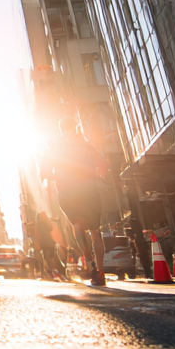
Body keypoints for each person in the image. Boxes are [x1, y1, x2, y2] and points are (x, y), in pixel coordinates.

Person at [43, 117, 109, 286]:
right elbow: (104, 165)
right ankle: (100, 271)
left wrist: (60, 175)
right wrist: (97, 172)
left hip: (67, 192)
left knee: (77, 225)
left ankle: (88, 257)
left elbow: (46, 173)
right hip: (89, 190)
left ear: (61, 131)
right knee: (95, 232)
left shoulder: (55, 149)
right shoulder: (86, 145)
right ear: (76, 127)